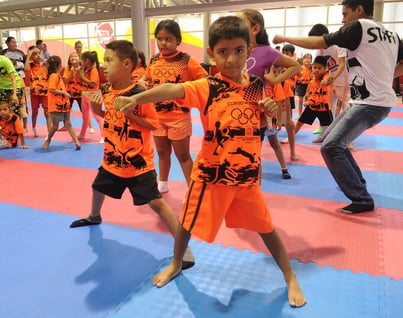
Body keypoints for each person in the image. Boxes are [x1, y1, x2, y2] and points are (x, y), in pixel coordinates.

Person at [115, 16, 306, 308]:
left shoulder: (256, 85)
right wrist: (138, 98)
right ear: (211, 53)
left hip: (246, 175)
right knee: (187, 223)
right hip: (210, 175)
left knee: (266, 227)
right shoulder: (207, 85)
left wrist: (269, 111)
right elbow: (173, 90)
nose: (232, 59)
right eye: (223, 52)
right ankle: (177, 261)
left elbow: (267, 122)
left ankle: (290, 275)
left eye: (239, 51)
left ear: (249, 49)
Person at [273, 0, 403, 214]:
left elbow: (320, 40)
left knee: (331, 147)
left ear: (359, 10)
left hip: (370, 103)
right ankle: (357, 184)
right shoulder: (390, 33)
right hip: (369, 101)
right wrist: (387, 77)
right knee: (332, 140)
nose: (343, 19)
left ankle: (361, 198)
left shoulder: (359, 27)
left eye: (345, 13)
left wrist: (285, 38)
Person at [69, 39, 194, 269]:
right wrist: (97, 107)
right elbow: (107, 115)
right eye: (103, 61)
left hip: (138, 164)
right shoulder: (106, 89)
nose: (103, 66)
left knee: (156, 203)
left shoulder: (139, 93)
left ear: (126, 64)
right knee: (98, 187)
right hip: (112, 159)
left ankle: (182, 245)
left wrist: (131, 114)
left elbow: (153, 125)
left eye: (108, 61)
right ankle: (94, 216)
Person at [140, 20, 208, 193]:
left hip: (179, 117)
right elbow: (145, 79)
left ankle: (193, 190)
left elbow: (205, 80)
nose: (163, 43)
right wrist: (142, 82)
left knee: (183, 156)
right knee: (162, 153)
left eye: (168, 39)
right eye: (160, 39)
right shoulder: (154, 60)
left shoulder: (187, 61)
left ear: (178, 40)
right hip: (157, 116)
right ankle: (162, 182)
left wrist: (188, 92)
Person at [236, 9, 300, 165]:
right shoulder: (237, 49)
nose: (236, 27)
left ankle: (254, 187)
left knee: (252, 157)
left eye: (240, 23)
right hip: (235, 109)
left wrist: (275, 80)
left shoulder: (265, 51)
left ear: (255, 29)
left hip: (255, 112)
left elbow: (295, 66)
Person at [42, 56, 81, 150]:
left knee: (68, 123)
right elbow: (51, 89)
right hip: (56, 105)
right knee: (55, 126)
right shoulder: (53, 76)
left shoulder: (57, 75)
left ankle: (76, 141)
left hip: (64, 104)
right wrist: (64, 92)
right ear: (59, 65)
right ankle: (48, 139)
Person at [293, 56, 333, 143]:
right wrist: (307, 95)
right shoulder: (312, 76)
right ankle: (291, 136)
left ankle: (322, 137)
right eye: (315, 67)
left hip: (323, 107)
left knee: (327, 125)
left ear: (324, 69)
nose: (316, 70)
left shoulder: (326, 75)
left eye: (319, 68)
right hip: (312, 105)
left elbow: (327, 79)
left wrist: (325, 81)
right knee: (300, 122)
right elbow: (309, 85)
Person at [78, 51, 104, 142]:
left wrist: (82, 77)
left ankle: (103, 136)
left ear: (87, 60)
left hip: (93, 94)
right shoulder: (85, 70)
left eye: (83, 59)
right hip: (85, 94)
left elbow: (93, 84)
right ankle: (82, 133)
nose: (81, 61)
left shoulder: (94, 70)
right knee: (85, 116)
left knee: (97, 116)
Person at [24, 45, 50, 137]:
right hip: (34, 93)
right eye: (35, 54)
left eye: (39, 53)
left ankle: (49, 133)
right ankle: (34, 127)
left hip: (45, 92)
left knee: (47, 113)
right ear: (31, 56)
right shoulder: (30, 65)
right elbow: (26, 69)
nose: (38, 55)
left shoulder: (45, 65)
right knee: (35, 111)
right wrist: (28, 56)